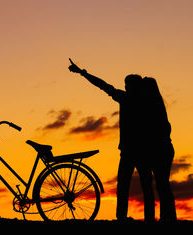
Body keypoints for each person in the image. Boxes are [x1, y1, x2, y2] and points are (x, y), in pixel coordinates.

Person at [68, 58, 176, 223]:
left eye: (128, 85)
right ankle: (141, 218)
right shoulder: (139, 100)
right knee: (143, 186)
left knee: (133, 185)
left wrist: (83, 73)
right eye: (126, 85)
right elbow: (103, 86)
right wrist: (83, 73)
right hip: (137, 150)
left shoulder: (129, 99)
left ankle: (128, 217)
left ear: (133, 87)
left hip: (136, 150)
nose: (126, 87)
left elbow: (103, 86)